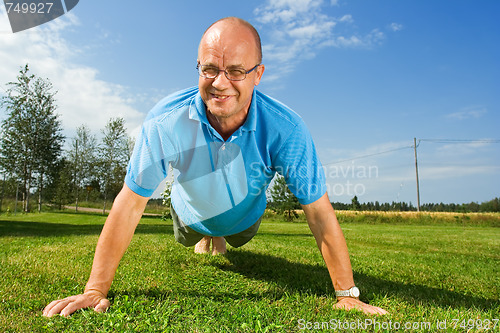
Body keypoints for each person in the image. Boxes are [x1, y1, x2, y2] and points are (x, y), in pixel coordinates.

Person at [43, 17, 387, 317]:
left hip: (243, 221)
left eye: (236, 71)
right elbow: (130, 202)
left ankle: (219, 234)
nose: (220, 82)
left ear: (258, 75)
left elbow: (319, 212)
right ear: (198, 67)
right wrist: (95, 289)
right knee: (193, 233)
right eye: (209, 69)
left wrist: (346, 294)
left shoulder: (287, 128)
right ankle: (206, 233)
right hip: (187, 215)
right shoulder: (165, 121)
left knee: (232, 235)